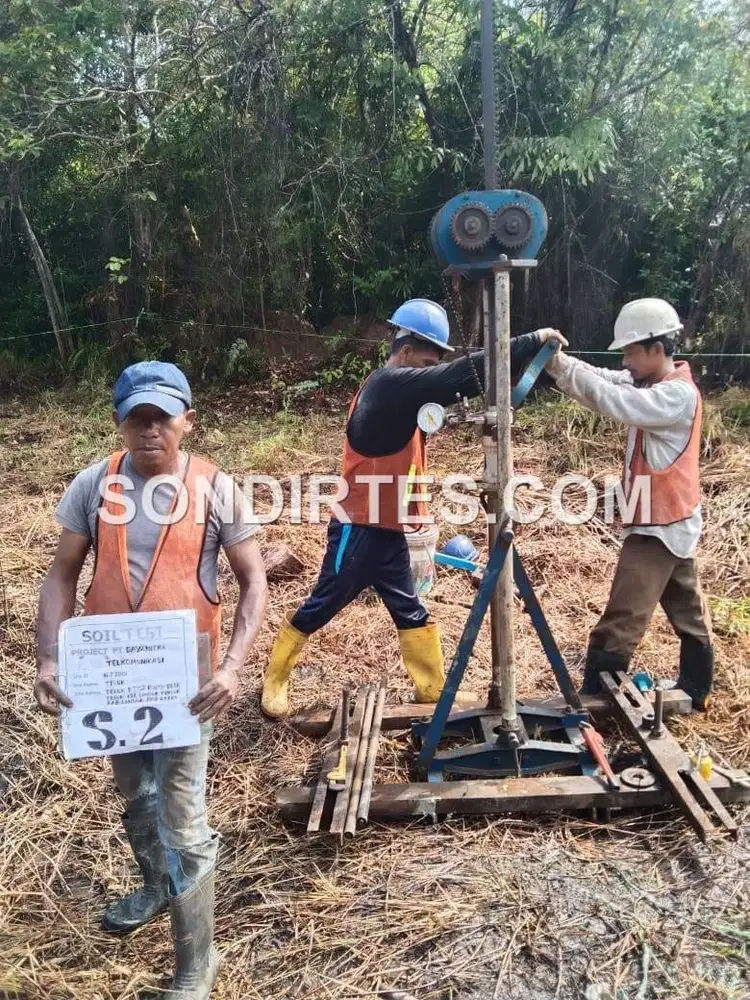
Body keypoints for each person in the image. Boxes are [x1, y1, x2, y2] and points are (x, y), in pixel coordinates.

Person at [33, 361, 267, 1000]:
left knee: (183, 815)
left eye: (162, 417)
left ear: (187, 421)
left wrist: (233, 668)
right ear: (120, 422)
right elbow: (60, 575)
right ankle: (158, 885)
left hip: (188, 686)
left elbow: (254, 582)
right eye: (136, 418)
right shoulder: (94, 485)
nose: (149, 431)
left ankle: (200, 960)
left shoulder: (217, 488)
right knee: (136, 794)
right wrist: (49, 660)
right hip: (113, 685)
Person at [261, 298, 567, 718]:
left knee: (409, 607)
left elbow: (461, 383)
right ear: (403, 352)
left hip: (389, 529)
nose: (429, 372)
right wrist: (530, 341)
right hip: (359, 527)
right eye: (425, 362)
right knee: (325, 602)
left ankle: (431, 689)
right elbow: (457, 375)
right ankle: (275, 677)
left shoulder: (403, 396)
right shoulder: (389, 385)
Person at [545, 298, 713, 709]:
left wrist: (558, 365)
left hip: (659, 528)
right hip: (674, 521)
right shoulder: (651, 384)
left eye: (631, 351)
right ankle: (695, 690)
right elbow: (608, 380)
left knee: (621, 621)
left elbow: (614, 400)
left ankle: (598, 703)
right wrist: (558, 362)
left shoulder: (674, 397)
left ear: (658, 348)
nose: (626, 360)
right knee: (688, 612)